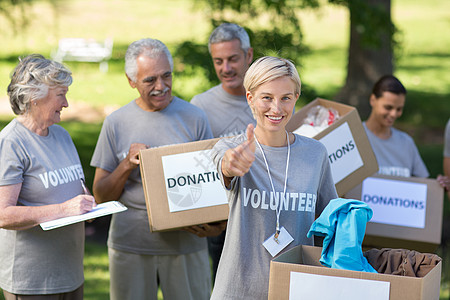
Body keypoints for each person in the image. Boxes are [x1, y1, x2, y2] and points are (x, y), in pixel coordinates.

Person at [90, 38, 218, 300]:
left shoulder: (195, 117)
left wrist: (214, 226)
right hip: (131, 245)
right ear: (131, 80)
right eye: (150, 80)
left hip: (186, 246)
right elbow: (101, 197)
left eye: (166, 76)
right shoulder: (115, 123)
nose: (161, 86)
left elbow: (211, 186)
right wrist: (127, 164)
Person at [210, 56, 338, 299]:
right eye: (266, 98)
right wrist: (232, 165)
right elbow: (226, 167)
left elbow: (328, 223)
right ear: (250, 98)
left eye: (285, 98)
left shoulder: (315, 153)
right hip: (238, 291)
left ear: (296, 98)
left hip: (296, 291)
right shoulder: (231, 149)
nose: (276, 109)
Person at [0, 54, 95, 299]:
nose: (66, 103)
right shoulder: (12, 143)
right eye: (60, 94)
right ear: (34, 96)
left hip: (71, 274)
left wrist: (86, 204)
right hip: (32, 282)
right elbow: (4, 214)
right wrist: (65, 208)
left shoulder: (62, 135)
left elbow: (72, 188)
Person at [190, 22, 255, 281]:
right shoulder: (200, 106)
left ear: (248, 55)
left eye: (232, 59)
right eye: (218, 61)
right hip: (221, 226)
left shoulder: (271, 101)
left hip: (265, 216)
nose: (225, 68)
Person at [363, 75, 429, 177]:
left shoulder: (406, 143)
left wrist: (440, 184)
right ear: (373, 100)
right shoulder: (354, 137)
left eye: (399, 109)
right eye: (388, 107)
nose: (394, 114)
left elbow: (424, 184)